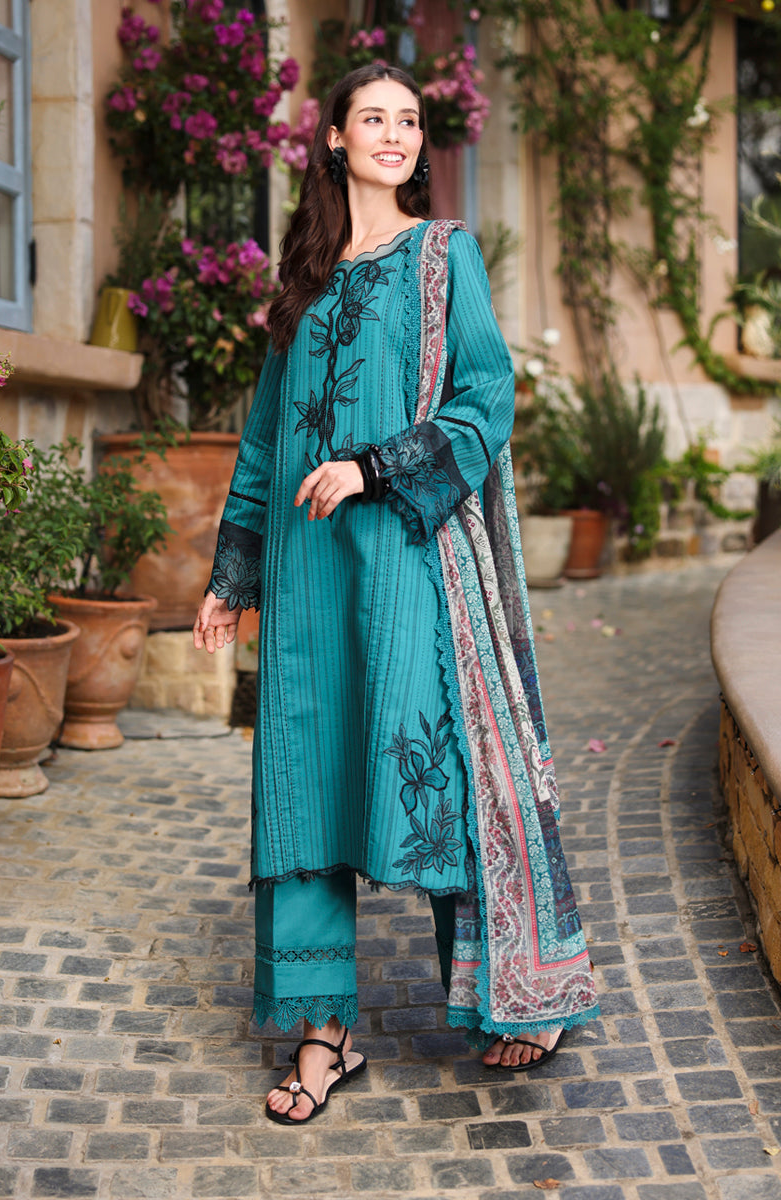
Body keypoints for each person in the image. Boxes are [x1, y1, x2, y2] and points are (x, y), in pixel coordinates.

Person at [193, 64, 598, 1126]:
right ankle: (322, 1034)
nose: (394, 134)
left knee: (443, 771)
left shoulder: (443, 255)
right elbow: (263, 441)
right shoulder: (302, 281)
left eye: (408, 120)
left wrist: (374, 469)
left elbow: (486, 396)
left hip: (406, 560)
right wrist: (230, 577)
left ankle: (518, 994)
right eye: (372, 118)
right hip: (304, 577)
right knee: (301, 786)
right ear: (332, 137)